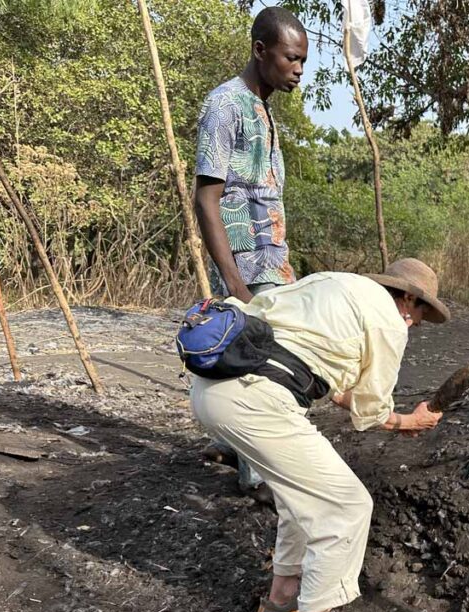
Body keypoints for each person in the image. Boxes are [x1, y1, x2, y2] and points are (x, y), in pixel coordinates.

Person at [190, 258, 450, 612]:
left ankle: (279, 604)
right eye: (422, 313)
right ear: (408, 298)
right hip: (256, 402)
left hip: (213, 389)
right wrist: (409, 421)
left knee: (303, 496)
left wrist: (393, 416)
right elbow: (372, 410)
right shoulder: (389, 319)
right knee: (347, 507)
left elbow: (325, 383)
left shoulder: (331, 286)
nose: (418, 323)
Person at [193, 7, 307, 494]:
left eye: (302, 60)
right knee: (264, 366)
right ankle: (259, 477)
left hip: (270, 257)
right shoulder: (225, 105)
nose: (298, 69)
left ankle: (239, 448)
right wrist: (234, 281)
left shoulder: (261, 107)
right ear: (261, 51)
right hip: (245, 261)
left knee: (266, 360)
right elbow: (206, 198)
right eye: (290, 58)